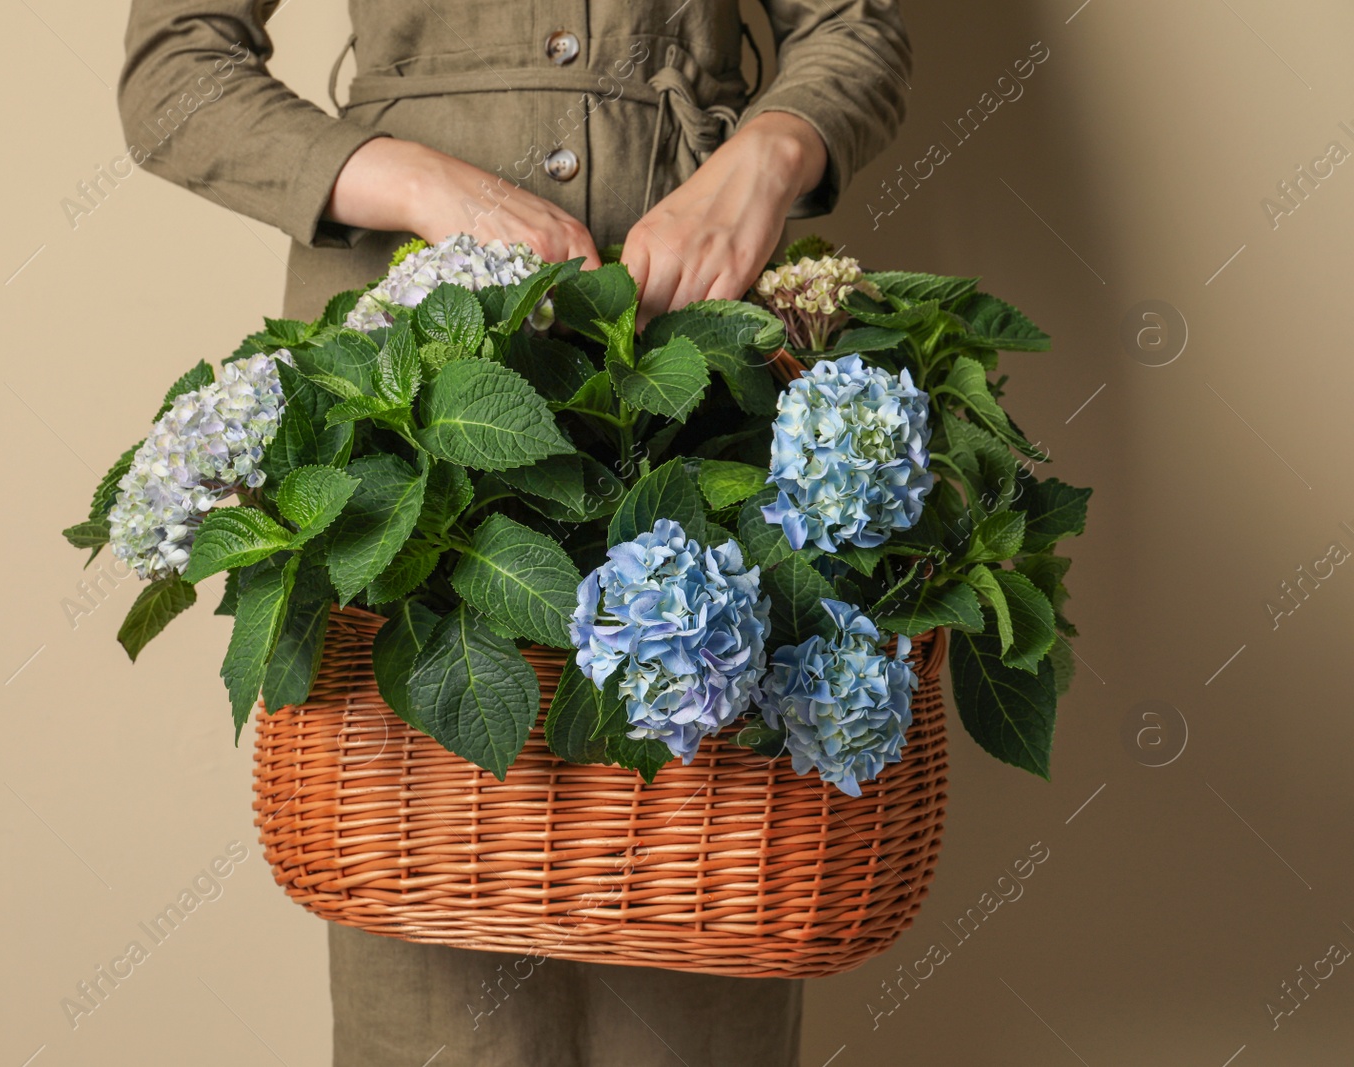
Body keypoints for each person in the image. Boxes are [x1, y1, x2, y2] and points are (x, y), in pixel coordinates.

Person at [119, 2, 910, 1063]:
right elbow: (173, 71)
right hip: (400, 403)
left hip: (698, 367)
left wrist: (764, 157)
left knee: (699, 915)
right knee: (434, 952)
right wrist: (416, 178)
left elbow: (854, 24)